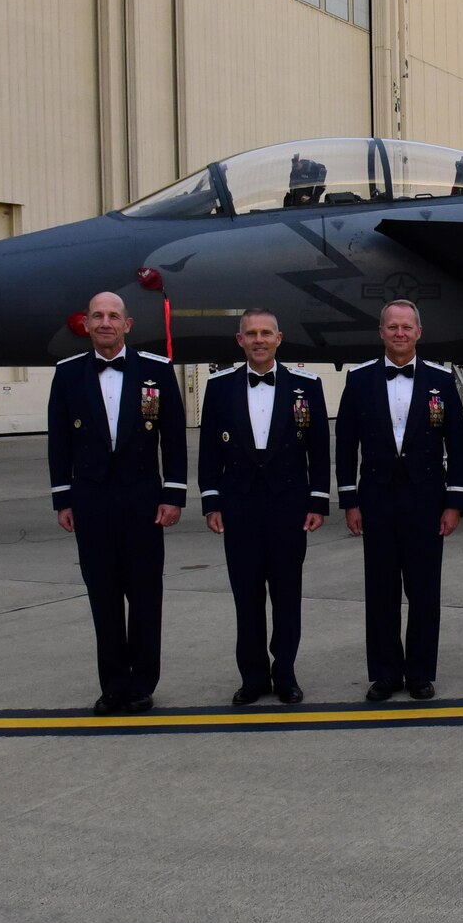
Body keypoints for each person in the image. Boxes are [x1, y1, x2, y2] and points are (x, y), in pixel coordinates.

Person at [48, 292, 186, 714]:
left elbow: (174, 437)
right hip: (91, 499)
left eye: (113, 316)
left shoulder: (156, 371)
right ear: (85, 324)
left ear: (127, 325)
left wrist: (174, 494)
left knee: (145, 594)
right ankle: (112, 684)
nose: (105, 322)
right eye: (97, 316)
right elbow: (59, 441)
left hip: (144, 499)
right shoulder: (68, 374)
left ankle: (142, 683)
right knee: (103, 595)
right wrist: (62, 498)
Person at [335, 300, 463, 702]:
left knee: (425, 591)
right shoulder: (358, 380)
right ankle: (385, 673)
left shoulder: (441, 380)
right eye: (392, 326)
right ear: (381, 332)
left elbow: (457, 446)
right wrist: (349, 501)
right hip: (375, 498)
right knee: (380, 590)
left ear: (418, 332)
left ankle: (421, 673)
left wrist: (454, 501)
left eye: (406, 327)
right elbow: (345, 444)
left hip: (426, 499)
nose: (399, 333)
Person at [198, 310, 329, 706]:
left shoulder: (307, 386)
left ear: (279, 338)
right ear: (240, 341)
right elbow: (208, 451)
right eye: (251, 334)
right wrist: (211, 501)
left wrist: (318, 501)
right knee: (247, 596)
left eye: (265, 333)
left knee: (287, 595)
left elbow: (319, 450)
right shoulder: (219, 387)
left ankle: (285, 673)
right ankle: (253, 676)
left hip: (288, 506)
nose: (258, 340)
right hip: (239, 507)